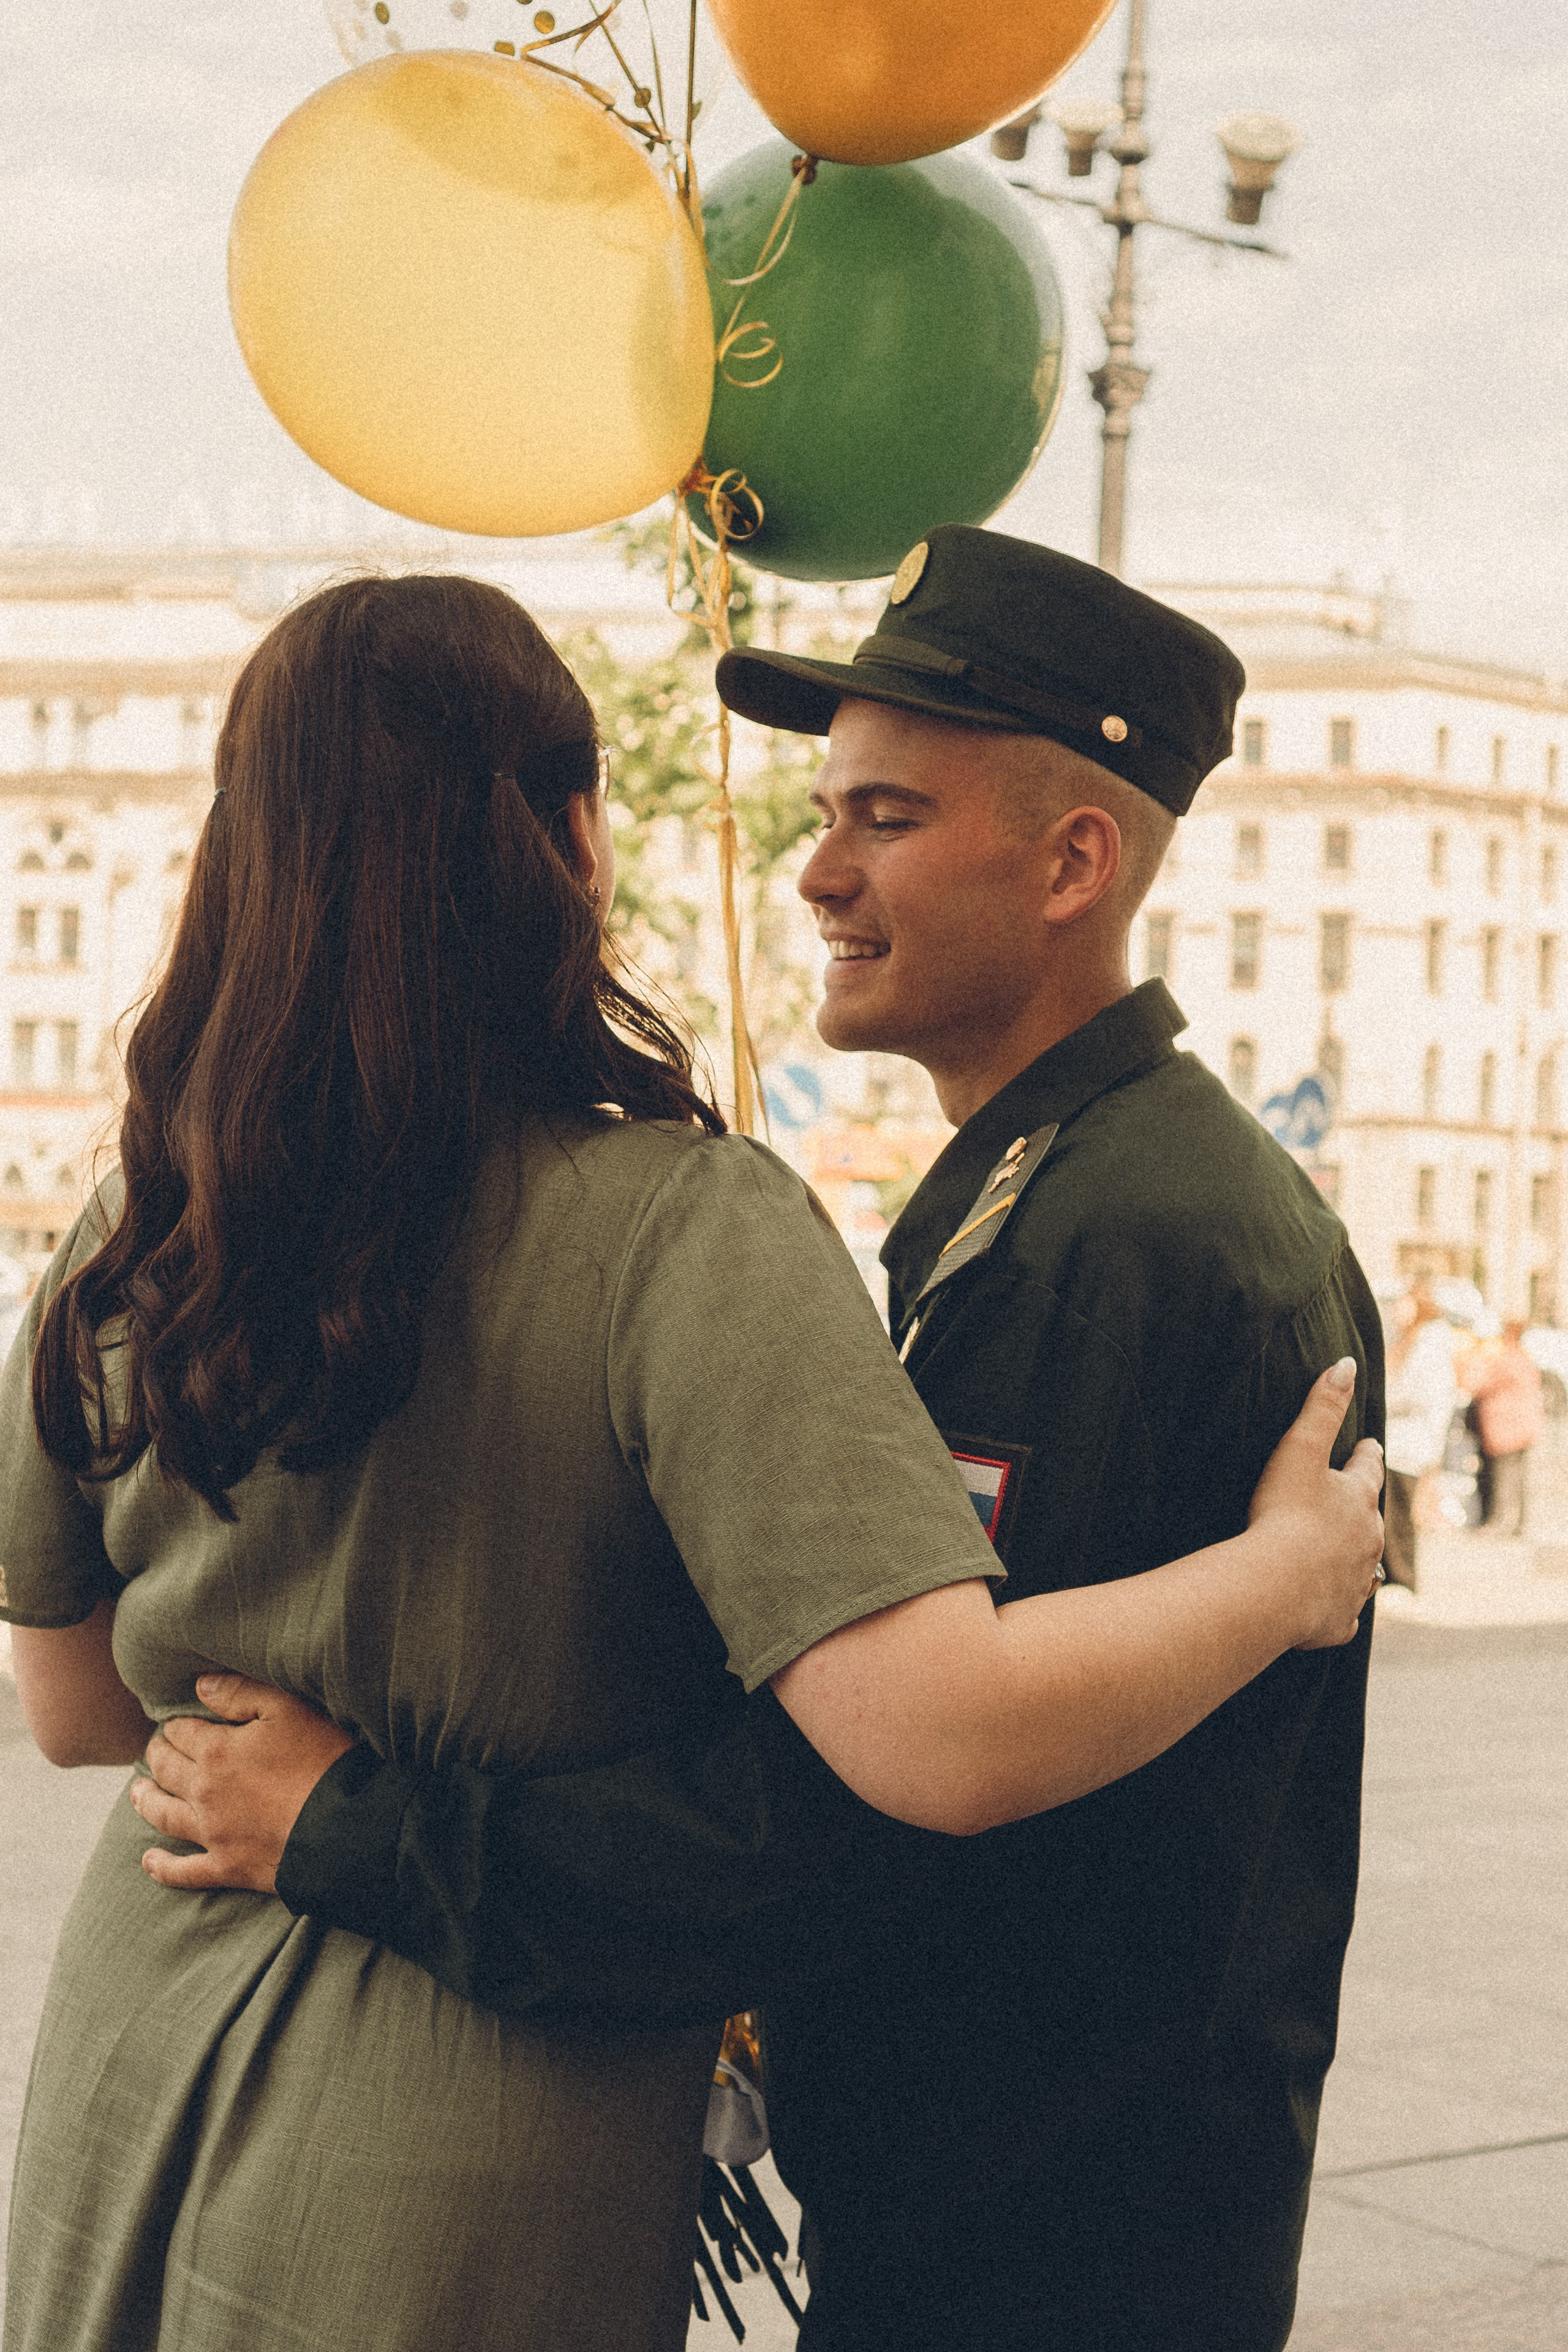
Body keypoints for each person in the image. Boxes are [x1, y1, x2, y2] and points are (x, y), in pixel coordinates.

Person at [0, 570, 1384, 2352]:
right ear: (569, 838)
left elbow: (74, 1705)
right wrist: (1285, 1572)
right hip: (467, 2104)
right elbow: (921, 1727)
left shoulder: (137, 1207)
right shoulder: (686, 1221)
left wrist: (330, 1788)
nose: (813, 870)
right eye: (825, 815)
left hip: (140, 2041)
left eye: (881, 817)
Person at [1382, 1284, 1460, 1588]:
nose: (1395, 1313)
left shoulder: (1430, 1342)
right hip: (1403, 1441)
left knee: (1399, 1518)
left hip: (1410, 1443)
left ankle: (1403, 1580)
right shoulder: (1415, 1340)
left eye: (1402, 1305)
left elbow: (1420, 1393)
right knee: (1392, 1515)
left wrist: (1385, 1397)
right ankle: (1396, 1578)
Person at [1460, 1317, 1544, 1536]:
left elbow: (1481, 1385)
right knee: (1516, 1478)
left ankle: (1502, 1521)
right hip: (1520, 1428)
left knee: (1504, 1478)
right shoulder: (1524, 1359)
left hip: (1506, 1428)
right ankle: (1516, 1522)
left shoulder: (1507, 1359)